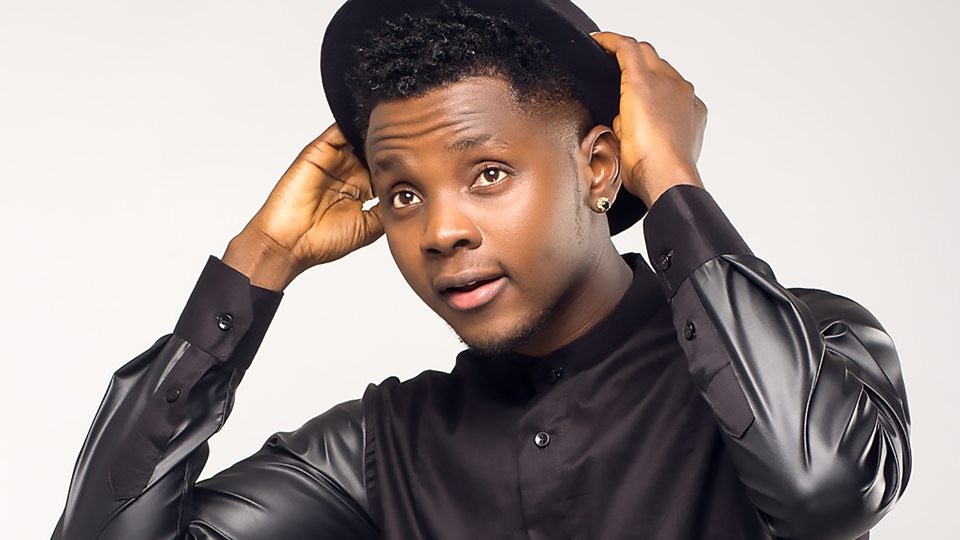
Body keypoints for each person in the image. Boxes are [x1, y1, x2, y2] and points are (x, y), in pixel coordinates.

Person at [51, 1, 911, 539]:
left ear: (600, 168)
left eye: (489, 173)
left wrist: (672, 185)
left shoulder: (809, 343)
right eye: (403, 195)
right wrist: (260, 260)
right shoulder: (378, 450)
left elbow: (825, 491)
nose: (440, 231)